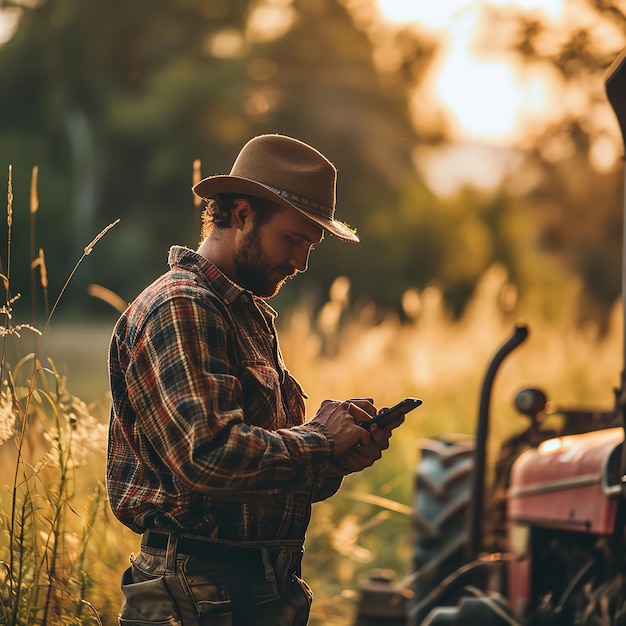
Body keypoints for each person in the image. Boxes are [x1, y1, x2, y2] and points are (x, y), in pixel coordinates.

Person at [106, 134, 405, 626]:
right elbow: (209, 458)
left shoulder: (245, 313)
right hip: (199, 595)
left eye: (311, 245)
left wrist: (334, 459)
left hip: (252, 588)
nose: (301, 262)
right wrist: (318, 441)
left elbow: (252, 481)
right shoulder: (183, 306)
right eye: (293, 239)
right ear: (242, 214)